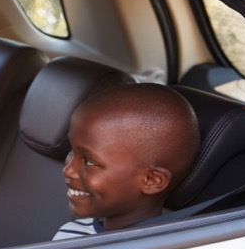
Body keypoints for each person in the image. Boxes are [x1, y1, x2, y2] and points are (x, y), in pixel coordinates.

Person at [54, 82, 199, 239]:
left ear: (151, 180)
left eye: (89, 161)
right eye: (71, 150)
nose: (68, 169)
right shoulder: (71, 233)